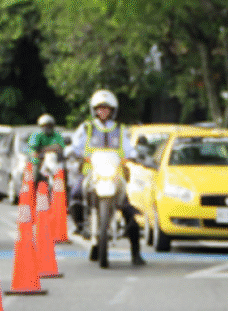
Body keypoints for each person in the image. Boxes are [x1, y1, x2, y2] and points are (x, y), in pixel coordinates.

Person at [69, 89, 145, 266]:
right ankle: (80, 226)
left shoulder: (120, 129)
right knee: (75, 194)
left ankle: (136, 252)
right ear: (94, 110)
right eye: (99, 108)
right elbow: (76, 146)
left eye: (106, 108)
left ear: (113, 110)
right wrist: (73, 152)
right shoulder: (86, 128)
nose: (103, 111)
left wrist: (133, 155)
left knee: (129, 210)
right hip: (91, 172)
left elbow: (128, 148)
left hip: (114, 173)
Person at [27, 113, 66, 188]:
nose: (47, 127)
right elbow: (35, 148)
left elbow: (60, 147)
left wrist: (43, 149)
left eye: (50, 125)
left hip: (55, 159)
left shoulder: (57, 135)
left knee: (65, 170)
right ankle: (33, 189)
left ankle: (65, 188)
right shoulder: (36, 135)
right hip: (39, 159)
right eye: (45, 126)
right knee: (34, 174)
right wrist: (52, 148)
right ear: (41, 126)